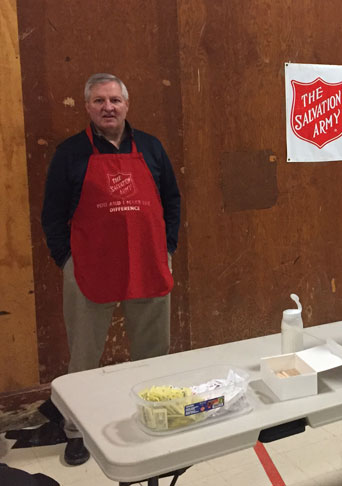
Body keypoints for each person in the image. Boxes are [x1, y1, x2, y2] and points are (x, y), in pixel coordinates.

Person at [41, 73, 181, 466]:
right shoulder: (70, 153)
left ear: (126, 104)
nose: (108, 107)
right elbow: (52, 214)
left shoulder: (151, 148)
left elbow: (172, 199)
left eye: (115, 100)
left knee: (154, 352)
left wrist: (166, 248)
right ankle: (76, 431)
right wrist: (65, 260)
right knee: (84, 358)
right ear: (87, 107)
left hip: (149, 262)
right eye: (100, 100)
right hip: (88, 267)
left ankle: (154, 416)